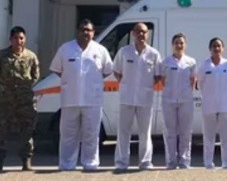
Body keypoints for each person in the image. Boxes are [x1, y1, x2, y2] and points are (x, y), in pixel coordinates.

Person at [49, 19, 113, 171]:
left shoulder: (100, 50)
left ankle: (90, 164)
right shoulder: (65, 49)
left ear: (93, 33)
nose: (86, 32)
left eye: (89, 30)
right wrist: (72, 81)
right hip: (70, 99)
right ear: (77, 31)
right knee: (68, 135)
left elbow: (107, 70)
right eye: (83, 29)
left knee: (91, 134)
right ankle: (66, 164)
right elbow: (57, 69)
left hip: (92, 100)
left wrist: (91, 82)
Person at [0, 26, 40, 172]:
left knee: (27, 132)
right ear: (10, 39)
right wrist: (2, 86)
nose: (19, 41)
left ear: (25, 39)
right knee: (0, 132)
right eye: (15, 38)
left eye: (21, 38)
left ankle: (26, 161)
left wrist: (24, 87)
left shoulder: (31, 56)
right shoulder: (1, 56)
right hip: (6, 101)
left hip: (25, 102)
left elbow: (35, 76)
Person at [113, 22, 162, 172]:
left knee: (145, 132)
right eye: (138, 32)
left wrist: (145, 86)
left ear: (148, 34)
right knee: (123, 132)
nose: (141, 34)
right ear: (133, 33)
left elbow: (158, 75)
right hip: (127, 97)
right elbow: (117, 71)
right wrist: (127, 84)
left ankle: (145, 162)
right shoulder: (124, 52)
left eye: (144, 32)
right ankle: (122, 162)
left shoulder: (154, 54)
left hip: (145, 98)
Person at [197, 37, 227, 169]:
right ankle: (208, 162)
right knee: (209, 136)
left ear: (223, 48)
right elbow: (200, 84)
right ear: (210, 49)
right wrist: (209, 96)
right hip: (209, 106)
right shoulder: (204, 65)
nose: (216, 49)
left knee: (226, 137)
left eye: (219, 46)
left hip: (225, 105)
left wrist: (225, 95)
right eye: (214, 46)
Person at [160, 33, 196, 169]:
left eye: (181, 43)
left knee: (186, 131)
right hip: (168, 100)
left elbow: (192, 81)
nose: (179, 45)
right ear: (172, 45)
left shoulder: (191, 62)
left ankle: (185, 160)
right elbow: (163, 80)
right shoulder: (165, 62)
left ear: (185, 45)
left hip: (185, 100)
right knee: (170, 132)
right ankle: (171, 160)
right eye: (176, 43)